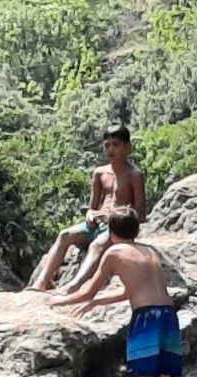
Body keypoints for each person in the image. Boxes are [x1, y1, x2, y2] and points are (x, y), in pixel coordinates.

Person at [48, 206, 181, 377]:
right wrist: (99, 301)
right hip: (168, 316)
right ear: (137, 232)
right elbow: (134, 290)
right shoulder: (150, 253)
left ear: (110, 233)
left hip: (146, 319)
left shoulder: (114, 252)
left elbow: (88, 290)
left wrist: (57, 300)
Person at [28, 123, 145, 294]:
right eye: (107, 145)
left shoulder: (134, 175)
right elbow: (91, 207)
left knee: (97, 245)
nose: (111, 149)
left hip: (117, 228)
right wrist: (90, 215)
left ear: (127, 147)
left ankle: (73, 286)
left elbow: (140, 214)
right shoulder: (99, 173)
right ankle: (41, 282)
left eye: (116, 145)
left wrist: (115, 217)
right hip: (96, 223)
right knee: (64, 235)